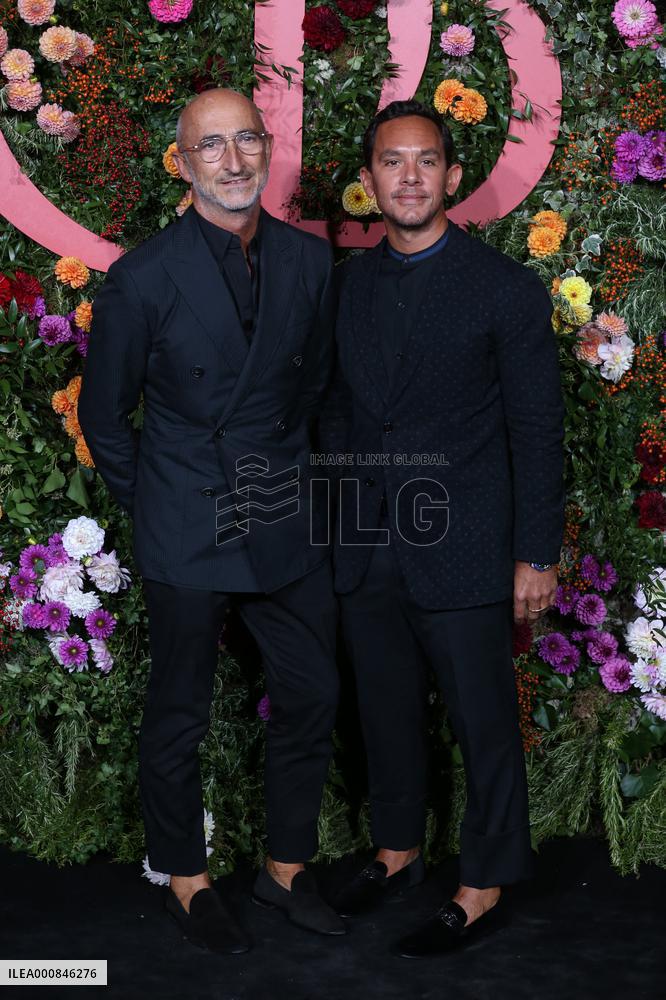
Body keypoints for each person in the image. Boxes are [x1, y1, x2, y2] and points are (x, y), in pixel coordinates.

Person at [78, 88, 345, 954]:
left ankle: (285, 871)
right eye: (212, 147)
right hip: (188, 520)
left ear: (268, 150)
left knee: (311, 691)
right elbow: (105, 416)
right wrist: (156, 503)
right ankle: (185, 879)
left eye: (247, 142)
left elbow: (307, 392)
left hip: (281, 511)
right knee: (181, 710)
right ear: (183, 161)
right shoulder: (143, 276)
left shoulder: (310, 261)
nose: (233, 162)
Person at [319, 99, 565, 958]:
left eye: (427, 161)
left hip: (465, 545)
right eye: (393, 162)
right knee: (383, 711)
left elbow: (537, 429)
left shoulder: (503, 287)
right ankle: (397, 850)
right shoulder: (347, 283)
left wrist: (536, 552)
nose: (411, 176)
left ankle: (484, 879)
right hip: (370, 542)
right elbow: (342, 414)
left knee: (481, 718)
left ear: (454, 178)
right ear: (369, 182)